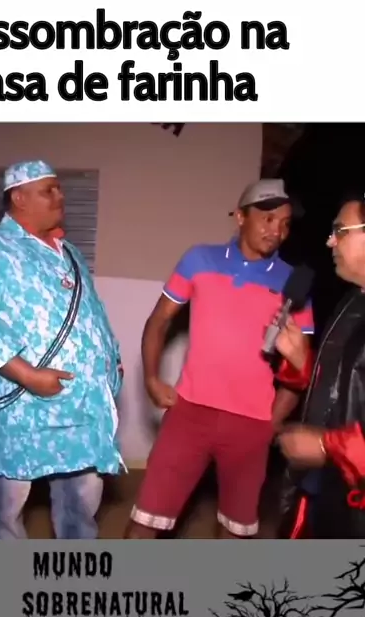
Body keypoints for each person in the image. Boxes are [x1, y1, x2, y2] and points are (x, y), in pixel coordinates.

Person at [124, 179, 314, 540]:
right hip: (188, 413)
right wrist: (151, 379)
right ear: (241, 217)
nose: (277, 231)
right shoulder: (199, 260)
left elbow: (302, 364)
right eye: (268, 219)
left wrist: (273, 421)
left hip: (251, 423)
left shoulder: (294, 283)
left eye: (285, 223)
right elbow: (159, 321)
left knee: (236, 531)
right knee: (144, 519)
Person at [0, 159, 125, 540]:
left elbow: (93, 311)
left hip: (82, 402)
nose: (60, 196)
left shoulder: (69, 252)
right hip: (24, 403)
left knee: (82, 501)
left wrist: (112, 360)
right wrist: (29, 376)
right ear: (19, 197)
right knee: (8, 505)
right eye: (49, 190)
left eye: (59, 188)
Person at [276, 193, 365, 538]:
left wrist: (327, 446)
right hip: (325, 493)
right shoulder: (352, 300)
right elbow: (348, 382)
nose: (330, 241)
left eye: (340, 231)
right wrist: (303, 360)